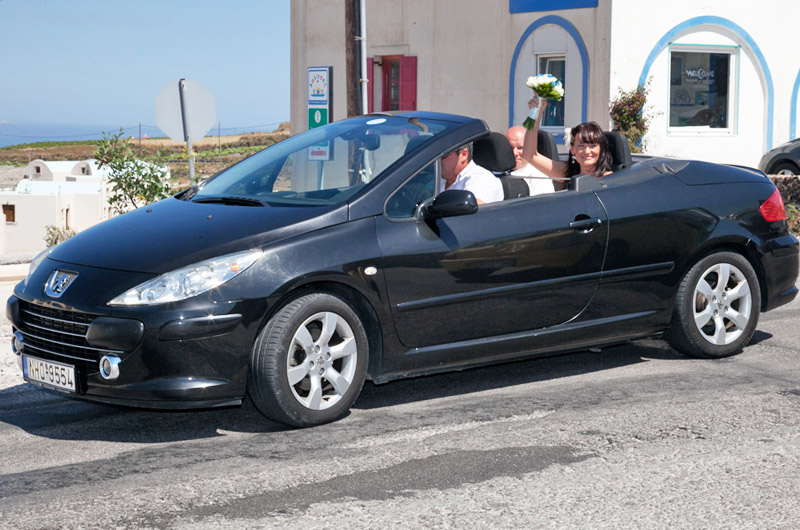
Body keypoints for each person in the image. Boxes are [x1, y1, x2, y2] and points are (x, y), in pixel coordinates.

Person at [521, 97, 612, 186]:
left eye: (593, 145)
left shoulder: (610, 179)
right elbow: (530, 155)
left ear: (601, 149)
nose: (587, 151)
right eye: (581, 145)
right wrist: (535, 114)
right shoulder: (566, 172)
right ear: (572, 149)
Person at [505, 125, 555, 197]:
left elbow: (542, 206)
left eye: (520, 148)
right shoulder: (496, 173)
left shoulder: (539, 177)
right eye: (511, 147)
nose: (515, 153)